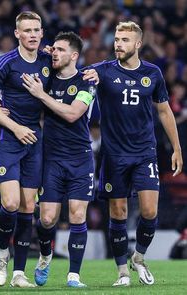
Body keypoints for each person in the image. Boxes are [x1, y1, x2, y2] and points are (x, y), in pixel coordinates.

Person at [91, 21, 183, 287]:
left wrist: (177, 148)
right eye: (117, 39)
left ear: (138, 44)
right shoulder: (103, 70)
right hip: (113, 154)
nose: (118, 43)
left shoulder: (152, 73)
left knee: (149, 210)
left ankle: (139, 257)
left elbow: (164, 111)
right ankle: (122, 271)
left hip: (144, 152)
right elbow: (73, 72)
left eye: (124, 40)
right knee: (118, 212)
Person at [0, 11, 52, 288]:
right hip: (8, 138)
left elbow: (70, 67)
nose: (32, 34)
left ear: (42, 33)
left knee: (28, 206)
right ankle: (2, 256)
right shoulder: (4, 63)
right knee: (9, 202)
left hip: (34, 138)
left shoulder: (48, 60)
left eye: (37, 30)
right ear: (17, 34)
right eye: (27, 30)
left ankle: (19, 274)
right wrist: (14, 126)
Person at [22, 31, 97, 288]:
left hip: (80, 159)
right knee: (46, 219)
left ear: (74, 55)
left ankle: (73, 275)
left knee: (77, 214)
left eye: (61, 50)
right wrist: (45, 50)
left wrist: (42, 95)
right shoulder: (47, 75)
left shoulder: (87, 81)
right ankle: (45, 255)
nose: (55, 53)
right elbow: (34, 54)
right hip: (51, 158)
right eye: (54, 49)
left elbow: (73, 114)